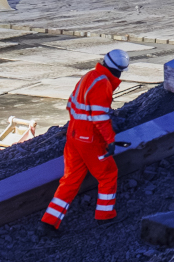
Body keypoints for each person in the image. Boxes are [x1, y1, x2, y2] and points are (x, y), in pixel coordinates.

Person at [40, 48, 128, 235]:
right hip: (89, 140)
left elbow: (71, 104)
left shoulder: (89, 76)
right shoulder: (103, 84)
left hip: (73, 137)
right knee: (108, 174)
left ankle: (48, 222)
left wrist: (78, 128)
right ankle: (105, 217)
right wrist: (110, 140)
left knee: (70, 180)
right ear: (119, 70)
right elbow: (100, 118)